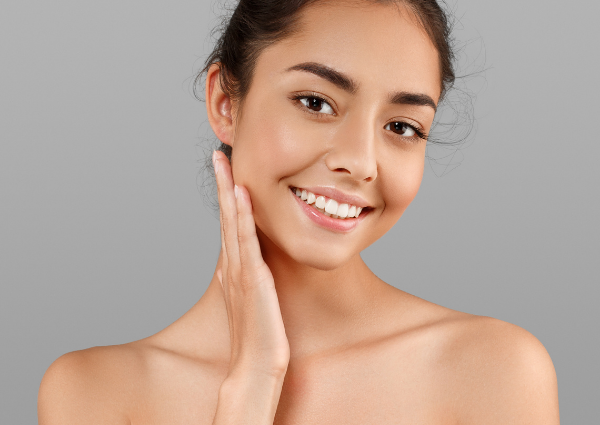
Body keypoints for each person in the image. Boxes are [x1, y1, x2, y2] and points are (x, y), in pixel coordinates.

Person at [38, 0, 560, 423]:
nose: (360, 163)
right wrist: (251, 384)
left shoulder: (495, 371)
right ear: (226, 102)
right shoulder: (93, 395)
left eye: (402, 127)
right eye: (316, 102)